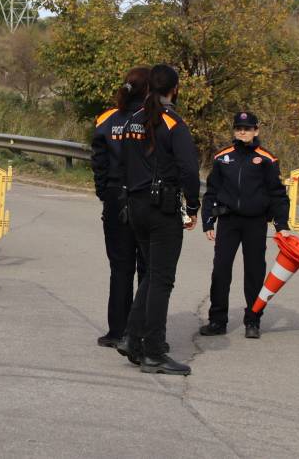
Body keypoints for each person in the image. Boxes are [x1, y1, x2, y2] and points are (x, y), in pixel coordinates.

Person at [115, 64, 201, 376]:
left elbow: (122, 162)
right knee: (162, 279)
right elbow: (190, 169)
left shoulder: (132, 120)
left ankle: (132, 338)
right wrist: (192, 205)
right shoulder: (172, 121)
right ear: (174, 89)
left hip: (135, 205)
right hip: (161, 208)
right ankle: (153, 350)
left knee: (151, 274)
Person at [199, 111, 292, 339]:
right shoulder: (222, 157)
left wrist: (281, 224)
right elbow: (211, 192)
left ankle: (253, 320)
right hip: (228, 221)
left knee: (254, 273)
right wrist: (208, 220)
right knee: (221, 270)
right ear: (234, 130)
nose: (243, 132)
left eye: (247, 128)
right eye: (239, 128)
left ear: (256, 131)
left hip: (255, 222)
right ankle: (217, 321)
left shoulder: (267, 159)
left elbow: (278, 194)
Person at [90, 67, 150, 348]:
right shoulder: (153, 120)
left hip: (115, 199)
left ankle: (117, 331)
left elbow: (98, 162)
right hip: (145, 197)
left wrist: (105, 193)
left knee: (120, 267)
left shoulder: (105, 119)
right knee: (147, 269)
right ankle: (139, 331)